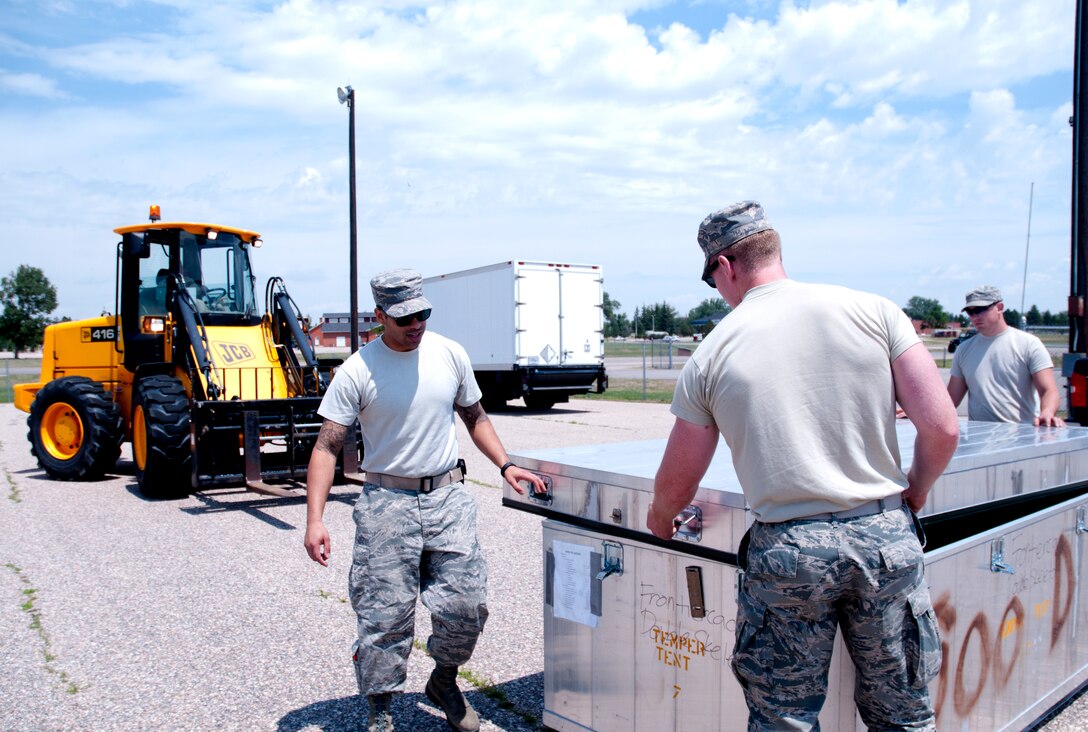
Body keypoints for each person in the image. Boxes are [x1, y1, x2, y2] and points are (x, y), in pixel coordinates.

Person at [647, 201, 960, 730]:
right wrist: (916, 491)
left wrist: (661, 518)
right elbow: (942, 427)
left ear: (725, 265)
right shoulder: (876, 311)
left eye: (713, 281)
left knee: (784, 717)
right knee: (904, 714)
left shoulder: (713, 351)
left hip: (789, 553)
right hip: (883, 538)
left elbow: (681, 477)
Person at [303, 269, 545, 732]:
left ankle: (444, 681)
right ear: (380, 317)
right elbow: (326, 447)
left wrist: (505, 464)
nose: (416, 325)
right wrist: (315, 520)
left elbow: (475, 417)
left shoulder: (449, 354)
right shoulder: (358, 369)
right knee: (384, 615)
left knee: (466, 607)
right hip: (386, 504)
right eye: (404, 319)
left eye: (422, 314)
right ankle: (381, 711)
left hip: (448, 499)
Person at [947, 285, 1065, 426]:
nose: (975, 317)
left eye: (980, 310)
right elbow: (950, 399)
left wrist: (1047, 412)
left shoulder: (1029, 344)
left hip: (1022, 437)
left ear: (1000, 307)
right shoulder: (963, 350)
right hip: (978, 439)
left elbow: (1048, 390)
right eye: (970, 312)